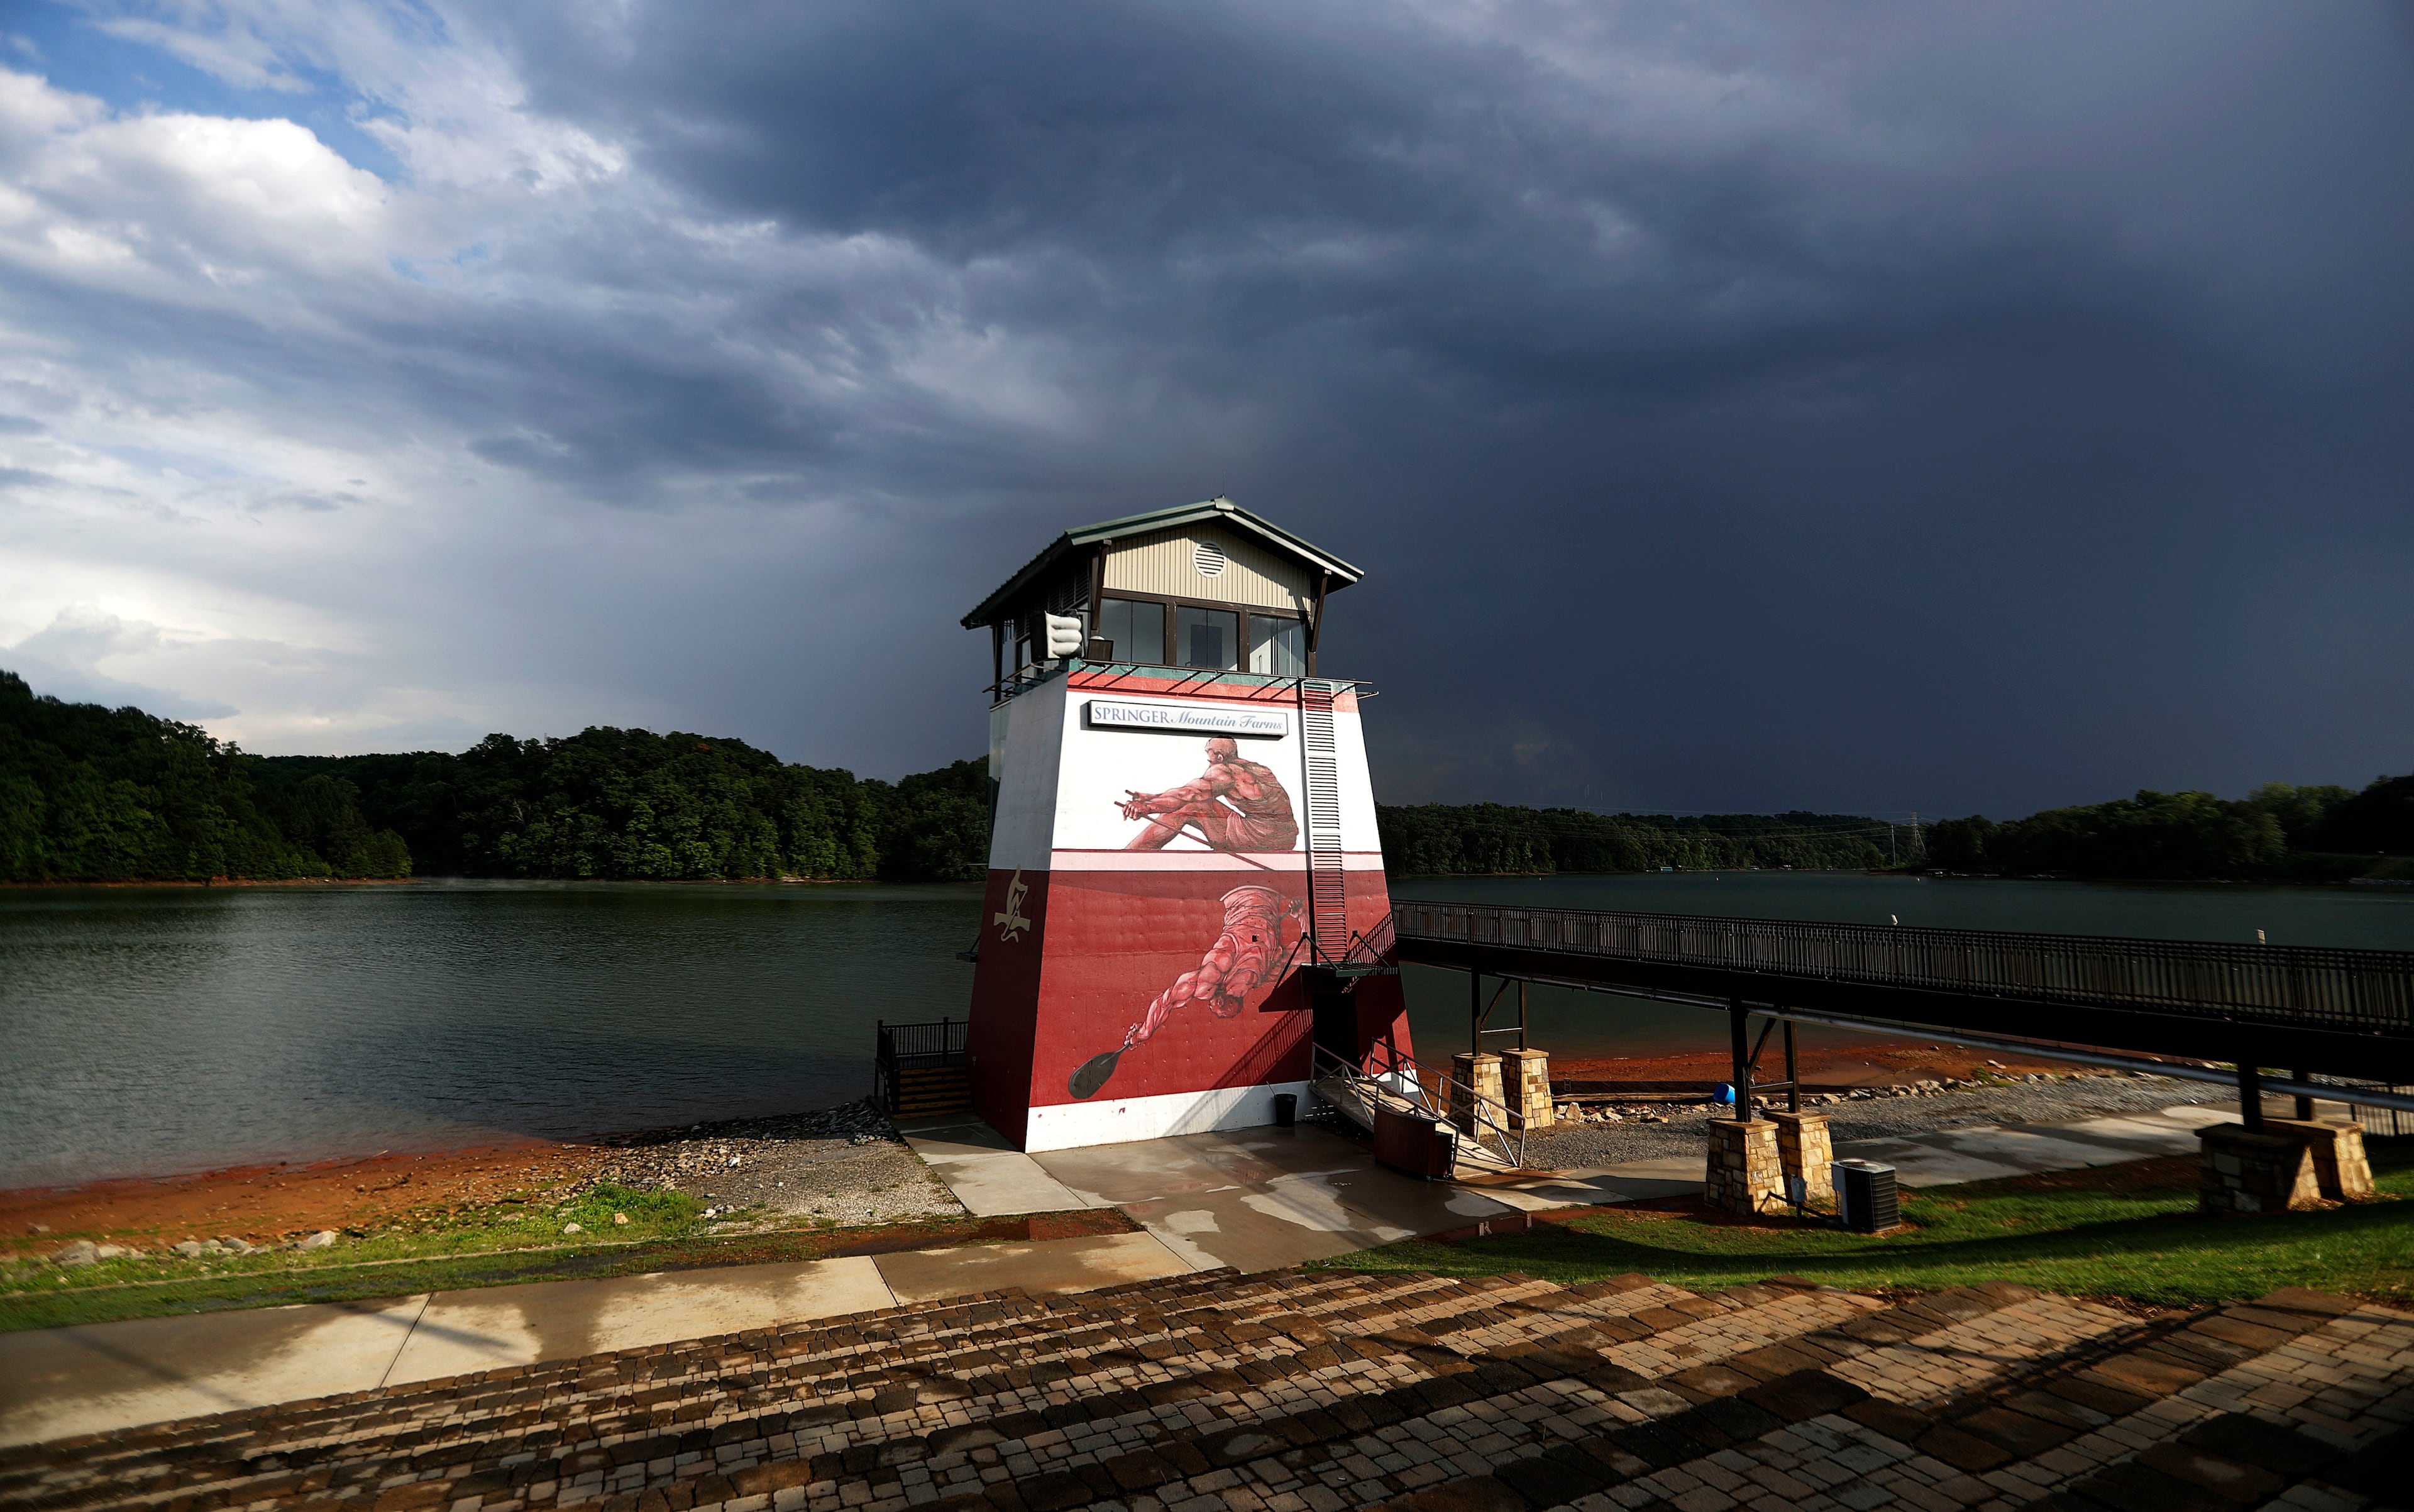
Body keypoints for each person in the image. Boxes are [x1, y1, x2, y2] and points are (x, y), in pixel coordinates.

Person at [1117, 737, 1298, 852]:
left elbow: (1189, 794)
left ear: (1219, 757)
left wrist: (1148, 807)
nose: (1207, 758)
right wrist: (1152, 797)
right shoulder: (1255, 769)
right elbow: (1192, 791)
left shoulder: (1223, 772)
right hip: (1284, 836)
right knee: (1195, 802)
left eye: (1208, 754)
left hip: (1263, 838)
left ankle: (1133, 855)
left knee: (1191, 805)